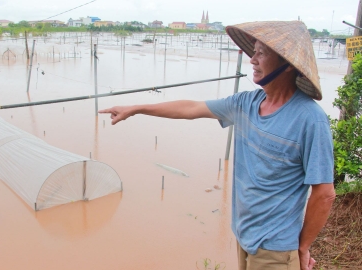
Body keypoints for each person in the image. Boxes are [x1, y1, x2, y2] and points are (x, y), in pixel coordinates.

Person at [99, 21, 335, 270]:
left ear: (288, 65)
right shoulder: (246, 104)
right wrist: (137, 108)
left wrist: (302, 246)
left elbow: (324, 193)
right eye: (253, 51)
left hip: (275, 247)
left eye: (262, 53)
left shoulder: (310, 119)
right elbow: (192, 108)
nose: (252, 60)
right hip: (244, 235)